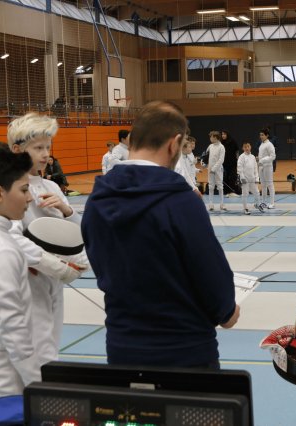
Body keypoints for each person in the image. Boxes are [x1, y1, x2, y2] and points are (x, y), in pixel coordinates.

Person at [81, 101, 239, 368]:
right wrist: (227, 310)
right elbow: (211, 276)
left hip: (122, 349)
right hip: (184, 353)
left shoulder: (97, 200)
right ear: (174, 143)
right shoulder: (181, 202)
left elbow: (100, 264)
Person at [7, 113, 87, 366]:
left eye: (48, 147)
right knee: (36, 352)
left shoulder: (51, 187)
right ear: (17, 150)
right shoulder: (10, 186)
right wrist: (54, 266)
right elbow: (11, 236)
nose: (45, 154)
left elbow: (75, 235)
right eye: (38, 148)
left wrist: (67, 210)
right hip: (28, 279)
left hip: (54, 280)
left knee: (52, 342)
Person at [0, 146, 40, 396]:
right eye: (24, 190)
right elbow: (11, 325)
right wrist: (39, 386)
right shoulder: (4, 250)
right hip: (6, 390)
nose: (29, 198)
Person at [237, 141, 260, 215]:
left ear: (250, 147)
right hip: (245, 179)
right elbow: (239, 168)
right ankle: (245, 208)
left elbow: (255, 168)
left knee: (257, 192)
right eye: (245, 147)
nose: (247, 148)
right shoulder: (241, 157)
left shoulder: (253, 157)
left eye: (248, 146)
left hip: (252, 179)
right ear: (243, 148)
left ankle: (257, 204)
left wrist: (257, 178)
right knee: (245, 194)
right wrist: (242, 178)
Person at [207, 130, 226, 211]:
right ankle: (211, 204)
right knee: (211, 187)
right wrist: (203, 163)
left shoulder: (221, 147)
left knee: (220, 187)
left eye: (211, 137)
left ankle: (222, 204)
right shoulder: (210, 146)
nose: (210, 138)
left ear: (215, 137)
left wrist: (214, 168)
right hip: (210, 170)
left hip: (218, 170)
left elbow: (221, 160)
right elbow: (206, 156)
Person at [258, 128, 276, 209]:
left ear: (267, 135)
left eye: (262, 135)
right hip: (261, 167)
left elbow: (273, 156)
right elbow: (262, 155)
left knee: (270, 184)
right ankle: (263, 202)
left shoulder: (269, 144)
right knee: (263, 185)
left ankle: (272, 203)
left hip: (268, 166)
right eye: (260, 135)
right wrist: (258, 159)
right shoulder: (261, 144)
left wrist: (262, 160)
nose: (261, 136)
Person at [221, 130, 239, 196]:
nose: (223, 135)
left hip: (233, 163)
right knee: (225, 178)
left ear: (227, 135)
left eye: (224, 134)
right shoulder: (221, 143)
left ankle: (232, 192)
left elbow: (237, 151)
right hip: (224, 164)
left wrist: (237, 160)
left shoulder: (232, 141)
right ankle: (226, 192)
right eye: (222, 134)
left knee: (232, 177)